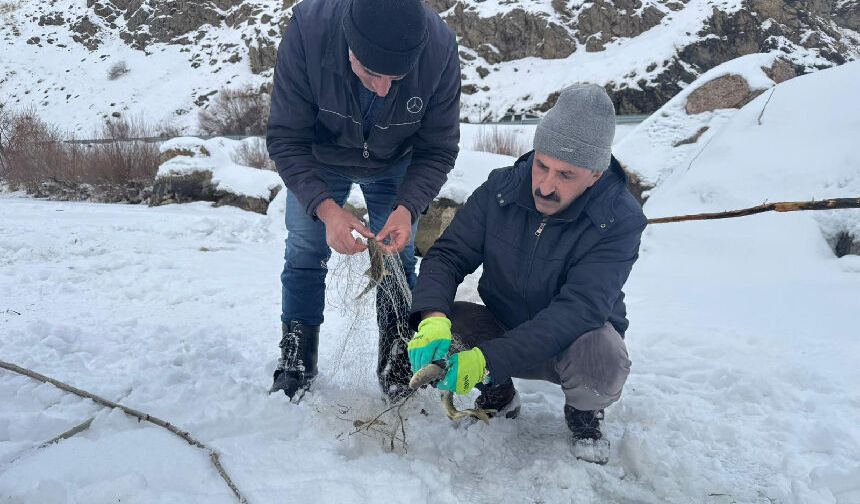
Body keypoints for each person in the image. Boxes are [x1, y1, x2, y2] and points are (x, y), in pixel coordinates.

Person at [407, 84, 646, 454]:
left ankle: (584, 412)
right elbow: (448, 256)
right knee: (447, 319)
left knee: (603, 356)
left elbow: (579, 310)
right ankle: (498, 393)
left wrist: (488, 360)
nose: (546, 187)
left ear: (596, 175)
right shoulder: (500, 189)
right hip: (503, 325)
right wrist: (432, 318)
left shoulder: (620, 219)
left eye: (566, 175)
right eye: (542, 165)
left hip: (572, 343)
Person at [266, 0, 461, 401]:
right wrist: (326, 209)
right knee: (304, 250)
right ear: (348, 44)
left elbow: (438, 148)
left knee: (398, 258)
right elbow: (286, 138)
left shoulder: (440, 47)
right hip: (320, 158)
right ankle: (296, 359)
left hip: (396, 161)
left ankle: (398, 360)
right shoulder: (308, 30)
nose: (384, 88)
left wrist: (407, 208)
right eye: (372, 72)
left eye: (397, 76)